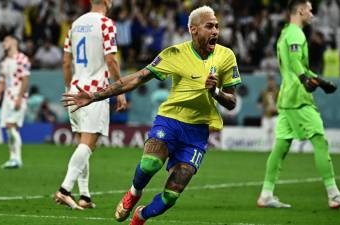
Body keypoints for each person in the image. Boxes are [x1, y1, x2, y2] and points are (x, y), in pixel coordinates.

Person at [62, 5, 241, 224]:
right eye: (209, 26)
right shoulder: (175, 54)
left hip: (198, 132)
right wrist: (96, 96)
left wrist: (215, 91)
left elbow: (232, 102)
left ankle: (141, 215)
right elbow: (137, 78)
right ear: (193, 30)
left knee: (171, 195)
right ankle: (134, 192)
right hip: (170, 121)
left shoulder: (226, 56)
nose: (215, 31)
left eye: (217, 26)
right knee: (149, 164)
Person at [256, 0, 340, 209]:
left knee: (280, 147)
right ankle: (333, 194)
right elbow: (297, 63)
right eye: (310, 10)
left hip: (286, 98)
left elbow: (296, 65)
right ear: (300, 10)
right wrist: (306, 80)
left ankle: (266, 194)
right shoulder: (296, 33)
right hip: (298, 98)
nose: (312, 13)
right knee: (319, 141)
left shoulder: (285, 33)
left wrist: (321, 82)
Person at [54, 0, 127, 210]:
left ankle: (84, 196)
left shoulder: (74, 24)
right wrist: (120, 89)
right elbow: (111, 60)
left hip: (76, 89)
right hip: (94, 93)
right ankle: (65, 190)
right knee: (88, 143)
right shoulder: (105, 23)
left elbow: (66, 62)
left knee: (82, 144)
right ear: (106, 2)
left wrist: (70, 87)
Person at [0, 35, 31, 169]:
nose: (3, 43)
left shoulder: (22, 59)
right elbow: (1, 83)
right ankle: (13, 158)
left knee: (10, 125)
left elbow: (25, 80)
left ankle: (17, 159)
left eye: (6, 40)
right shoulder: (4, 62)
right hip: (7, 97)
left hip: (18, 96)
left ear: (14, 42)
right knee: (9, 129)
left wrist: (19, 97)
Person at [257, 75, 279, 148]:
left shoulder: (279, 91)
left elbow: (283, 103)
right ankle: (265, 149)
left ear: (274, 82)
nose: (271, 83)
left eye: (272, 81)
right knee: (265, 132)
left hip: (276, 116)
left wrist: (276, 108)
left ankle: (273, 149)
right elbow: (258, 104)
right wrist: (264, 107)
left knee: (275, 133)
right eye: (269, 81)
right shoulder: (264, 92)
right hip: (266, 116)